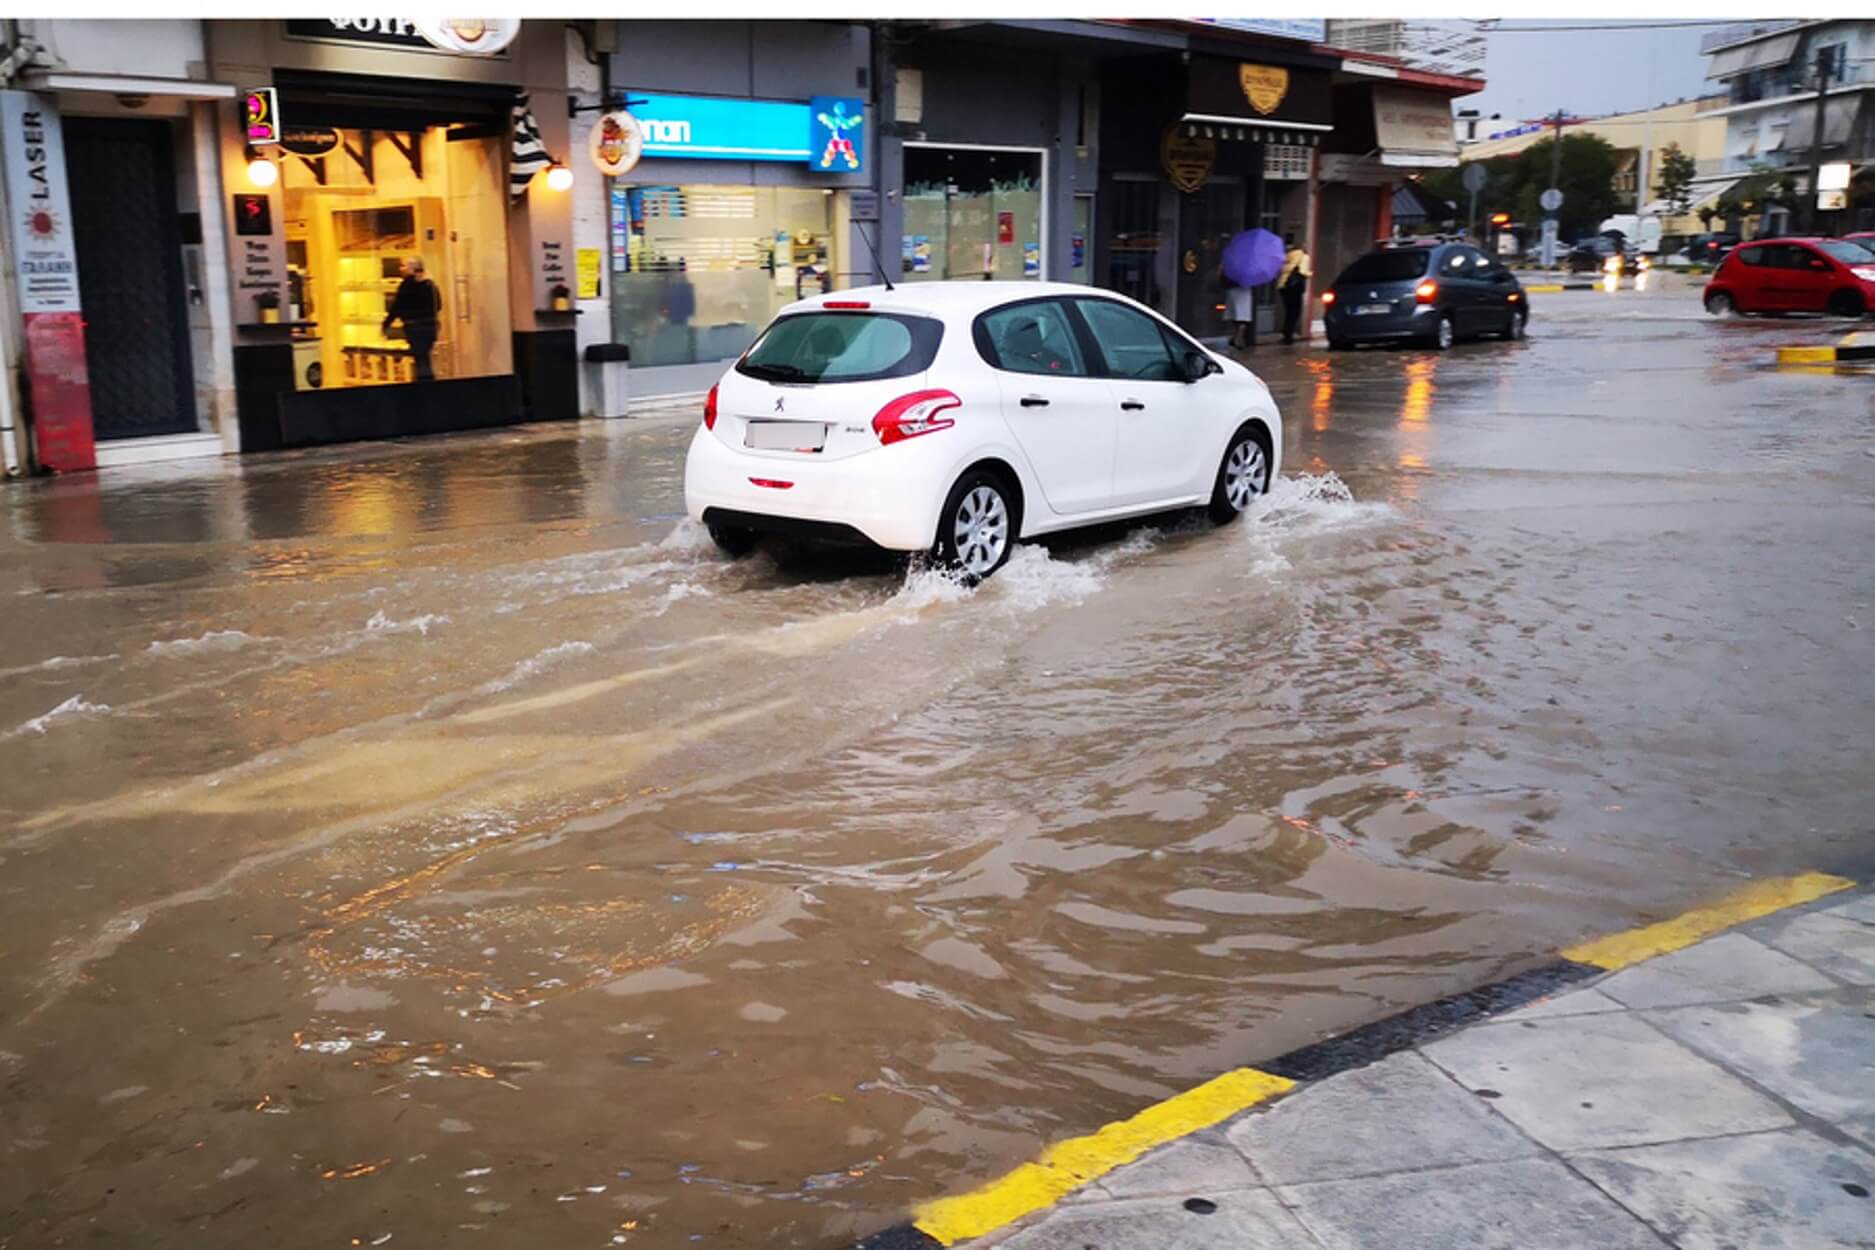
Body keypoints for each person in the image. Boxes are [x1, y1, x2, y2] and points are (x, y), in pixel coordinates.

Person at [382, 257, 442, 381]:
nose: (401, 269)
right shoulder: (429, 283)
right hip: (430, 327)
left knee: (420, 359)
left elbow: (397, 306)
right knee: (424, 357)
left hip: (415, 327)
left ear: (411, 269)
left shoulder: (407, 285)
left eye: (404, 266)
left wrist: (386, 323)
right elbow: (438, 305)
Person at [1277, 233, 1312, 346]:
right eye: (1306, 245)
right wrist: (1310, 273)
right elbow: (1303, 272)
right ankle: (1288, 335)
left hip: (1283, 286)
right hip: (1294, 287)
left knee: (1289, 311)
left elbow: (1282, 269)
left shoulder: (1288, 255)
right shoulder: (1304, 256)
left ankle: (1286, 333)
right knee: (1295, 312)